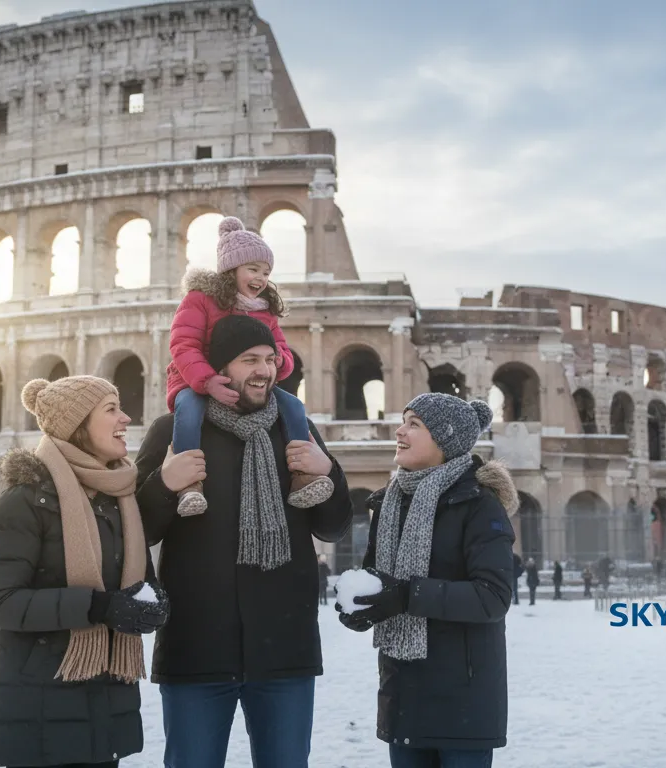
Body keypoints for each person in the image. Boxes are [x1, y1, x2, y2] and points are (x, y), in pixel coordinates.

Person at [135, 315, 353, 768]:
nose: (265, 370)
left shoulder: (297, 429)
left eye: (271, 359)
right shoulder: (173, 431)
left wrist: (327, 472)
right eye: (249, 359)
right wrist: (164, 483)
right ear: (218, 368)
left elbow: (333, 527)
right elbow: (138, 532)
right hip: (196, 649)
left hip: (284, 650)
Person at [0, 376, 169, 768]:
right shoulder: (26, 500)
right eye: (111, 409)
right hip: (37, 704)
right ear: (77, 424)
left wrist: (152, 603)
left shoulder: (121, 499)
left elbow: (137, 583)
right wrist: (99, 607)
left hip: (105, 701)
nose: (126, 418)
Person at [336, 394, 517, 768]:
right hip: (403, 694)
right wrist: (364, 605)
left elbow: (493, 597)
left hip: (464, 701)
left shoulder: (479, 505)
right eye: (403, 421)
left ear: (445, 437)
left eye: (414, 424)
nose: (399, 431)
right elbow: (380, 582)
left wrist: (407, 595)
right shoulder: (389, 503)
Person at [165, 216, 332, 516]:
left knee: (294, 406)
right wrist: (206, 381)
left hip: (246, 389)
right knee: (188, 410)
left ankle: (302, 475)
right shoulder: (200, 299)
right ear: (231, 269)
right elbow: (183, 345)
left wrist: (279, 361)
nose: (261, 278)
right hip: (194, 380)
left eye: (266, 272)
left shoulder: (265, 310)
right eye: (253, 269)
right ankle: (189, 484)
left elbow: (282, 348)